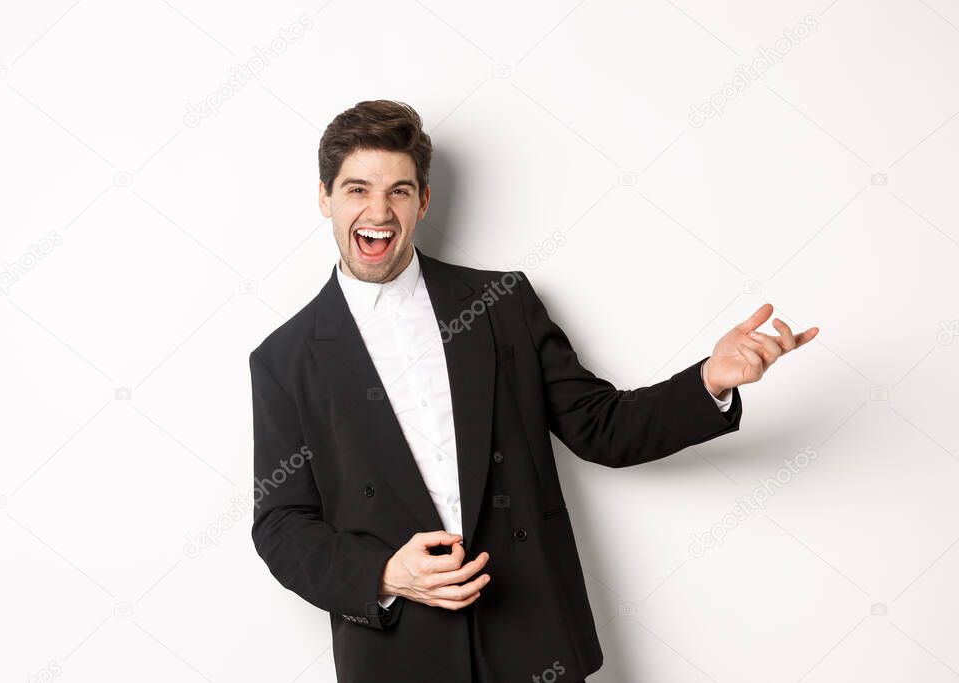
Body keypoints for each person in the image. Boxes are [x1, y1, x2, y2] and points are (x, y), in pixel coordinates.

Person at [249, 99, 818, 683]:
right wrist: (385, 574)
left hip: (531, 637)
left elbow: (602, 427)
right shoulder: (284, 360)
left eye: (398, 190)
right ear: (324, 197)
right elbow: (281, 524)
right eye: (357, 189)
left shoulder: (500, 304)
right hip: (398, 654)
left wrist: (710, 382)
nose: (378, 210)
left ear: (422, 200)